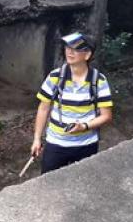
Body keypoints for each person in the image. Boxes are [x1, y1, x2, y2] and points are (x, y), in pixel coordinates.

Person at [31, 32, 113, 173]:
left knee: (83, 181)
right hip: (56, 143)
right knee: (49, 181)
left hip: (86, 144)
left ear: (87, 55)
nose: (70, 51)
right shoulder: (55, 77)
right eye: (68, 47)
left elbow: (106, 116)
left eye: (76, 49)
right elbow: (43, 109)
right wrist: (37, 139)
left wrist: (84, 126)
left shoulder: (99, 81)